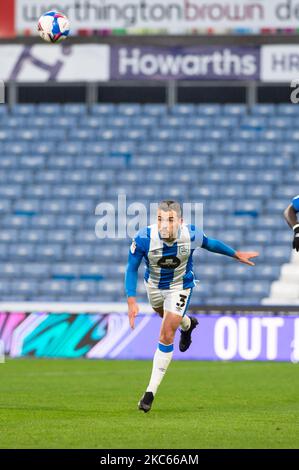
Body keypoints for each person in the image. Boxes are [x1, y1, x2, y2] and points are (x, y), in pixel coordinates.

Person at [125, 200, 259, 413]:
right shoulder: (143, 238)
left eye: (170, 220)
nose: (164, 225)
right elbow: (131, 268)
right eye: (160, 219)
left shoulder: (191, 235)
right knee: (165, 317)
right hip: (154, 288)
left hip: (181, 286)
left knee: (167, 332)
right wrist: (131, 300)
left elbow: (211, 244)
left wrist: (236, 254)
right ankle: (188, 325)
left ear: (180, 221)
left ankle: (150, 393)